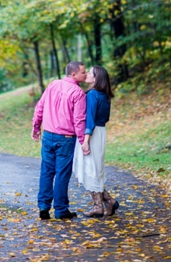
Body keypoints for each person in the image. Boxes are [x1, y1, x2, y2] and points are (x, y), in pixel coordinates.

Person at [32, 61, 88, 220]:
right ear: (73, 74)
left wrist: (36, 127)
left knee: (47, 171)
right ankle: (61, 210)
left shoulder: (53, 85)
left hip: (48, 136)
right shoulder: (78, 94)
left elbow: (40, 107)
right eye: (83, 72)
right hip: (65, 139)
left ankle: (43, 206)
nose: (85, 74)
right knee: (62, 174)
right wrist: (83, 141)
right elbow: (79, 121)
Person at [73, 64, 119, 217]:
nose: (86, 74)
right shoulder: (104, 95)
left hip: (91, 133)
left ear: (96, 78)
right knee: (95, 168)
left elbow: (90, 120)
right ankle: (108, 201)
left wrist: (86, 140)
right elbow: (105, 118)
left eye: (90, 73)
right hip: (100, 132)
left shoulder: (92, 94)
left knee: (90, 168)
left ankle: (97, 206)